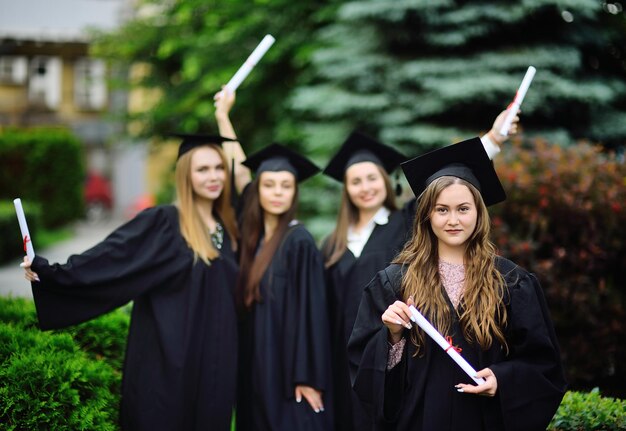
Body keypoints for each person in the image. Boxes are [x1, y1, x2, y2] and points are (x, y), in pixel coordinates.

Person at [21, 132, 248, 431]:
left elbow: (247, 178)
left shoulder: (229, 228)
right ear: (185, 174)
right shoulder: (166, 222)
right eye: (202, 169)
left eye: (219, 168)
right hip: (170, 363)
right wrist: (52, 272)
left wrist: (224, 118)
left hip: (215, 365)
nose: (214, 176)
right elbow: (111, 259)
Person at [347, 137, 567, 431]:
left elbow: (544, 366)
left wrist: (502, 378)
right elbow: (364, 375)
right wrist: (393, 338)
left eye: (463, 209)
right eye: (442, 210)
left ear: (479, 213)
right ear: (426, 215)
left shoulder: (511, 282)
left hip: (483, 420)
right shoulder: (394, 282)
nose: (453, 220)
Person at [321, 110, 518, 431]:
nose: (365, 187)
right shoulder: (332, 243)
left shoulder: (404, 221)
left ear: (386, 182)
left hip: (400, 351)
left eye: (372, 178)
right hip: (357, 353)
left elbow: (449, 192)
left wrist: (493, 139)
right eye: (356, 181)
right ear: (346, 189)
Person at [236, 143, 334, 431]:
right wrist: (222, 118)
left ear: (294, 192)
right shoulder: (252, 240)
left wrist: (307, 377)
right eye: (269, 185)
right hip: (255, 364)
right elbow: (240, 177)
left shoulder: (298, 240)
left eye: (285, 186)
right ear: (258, 190)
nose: (277, 192)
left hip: (286, 369)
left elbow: (312, 313)